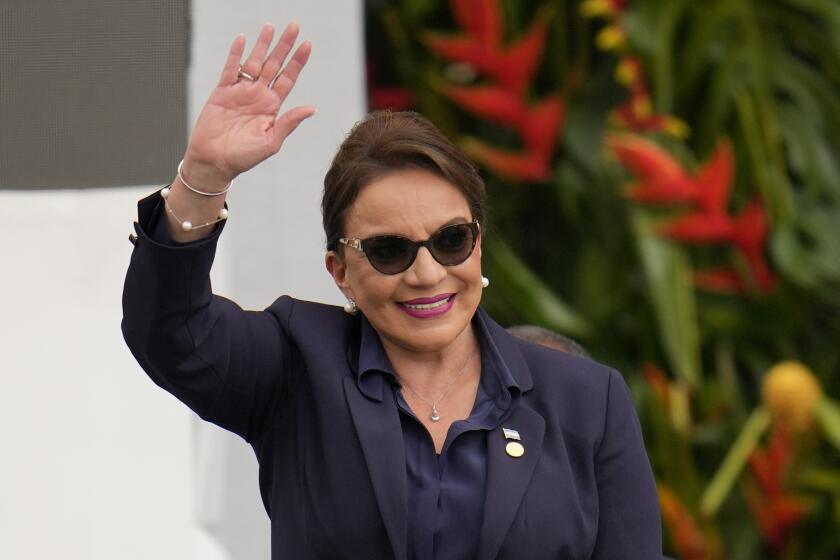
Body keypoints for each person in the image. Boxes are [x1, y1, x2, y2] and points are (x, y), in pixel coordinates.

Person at [122, 22, 661, 559]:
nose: (427, 273)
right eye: (389, 250)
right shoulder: (297, 364)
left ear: (479, 245)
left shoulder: (589, 400)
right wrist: (203, 177)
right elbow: (170, 331)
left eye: (451, 240)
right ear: (339, 270)